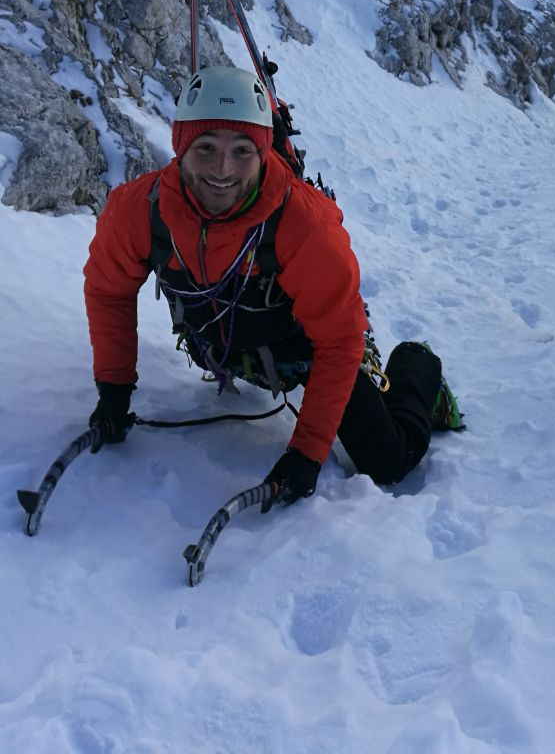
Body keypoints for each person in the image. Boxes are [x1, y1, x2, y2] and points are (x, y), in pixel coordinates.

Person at [83, 65, 460, 505]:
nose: (222, 169)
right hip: (224, 346)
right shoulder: (138, 210)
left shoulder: (304, 224)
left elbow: (338, 341)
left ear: (263, 152)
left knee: (387, 462)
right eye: (205, 147)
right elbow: (109, 292)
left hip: (307, 354)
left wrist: (306, 453)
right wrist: (113, 391)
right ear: (180, 146)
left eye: (242, 150)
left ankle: (417, 365)